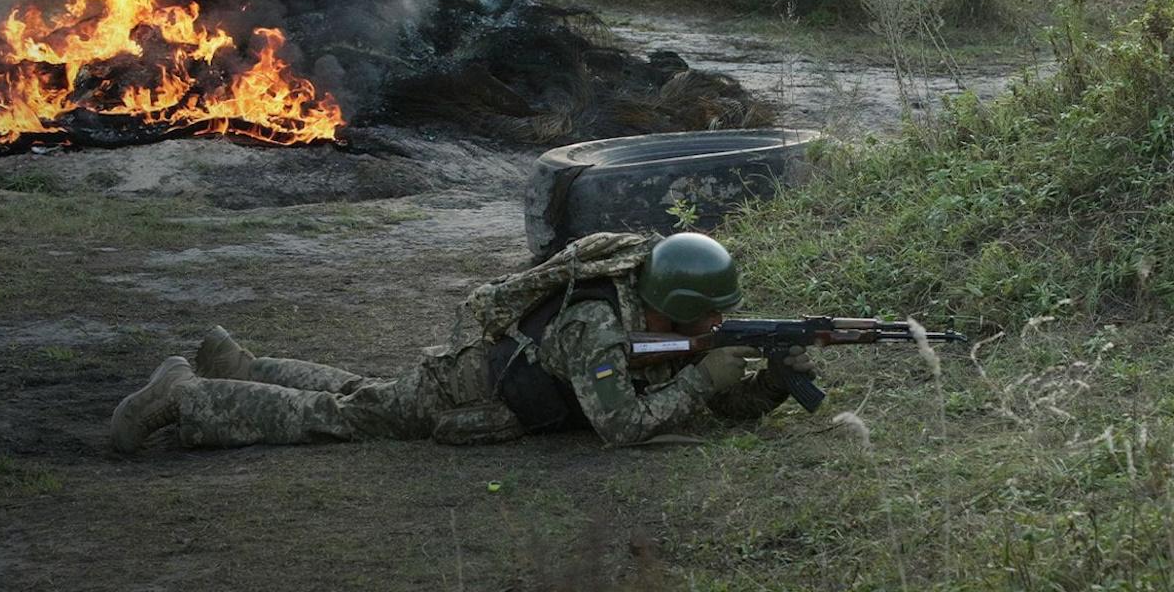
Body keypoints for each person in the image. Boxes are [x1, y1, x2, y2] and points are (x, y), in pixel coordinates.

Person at [110, 232, 815, 453]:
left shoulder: (653, 314)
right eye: (708, 323)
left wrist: (772, 382)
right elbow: (623, 427)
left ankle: (242, 365)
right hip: (469, 385)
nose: (717, 331)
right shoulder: (598, 326)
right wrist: (702, 377)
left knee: (363, 394)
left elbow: (716, 404)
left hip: (492, 374)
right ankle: (187, 397)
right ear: (676, 310)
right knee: (347, 417)